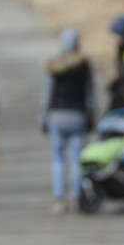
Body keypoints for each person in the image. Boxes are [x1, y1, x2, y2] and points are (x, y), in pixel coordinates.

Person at [39, 28, 94, 215]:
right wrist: (90, 116)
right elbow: (89, 94)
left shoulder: (54, 65)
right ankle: (76, 198)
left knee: (57, 159)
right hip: (78, 118)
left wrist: (43, 116)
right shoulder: (85, 65)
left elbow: (47, 94)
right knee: (76, 159)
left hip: (56, 117)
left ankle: (59, 199)